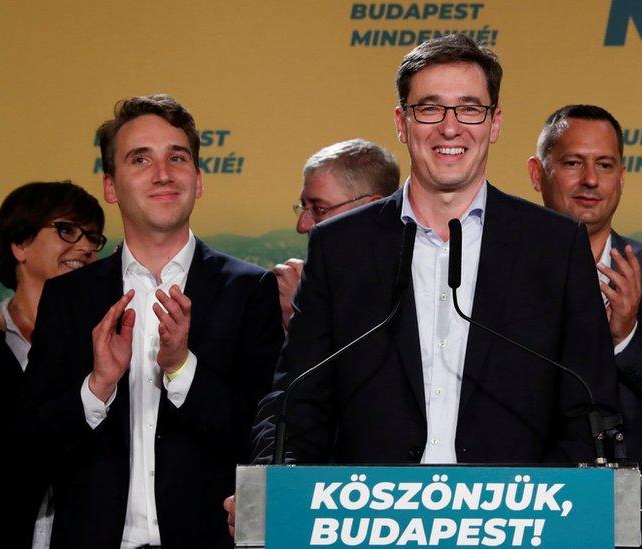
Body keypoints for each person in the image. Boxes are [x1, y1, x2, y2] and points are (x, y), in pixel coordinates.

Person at [255, 33, 619, 465]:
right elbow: (296, 404)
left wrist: (546, 510)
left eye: (469, 108)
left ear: (495, 122)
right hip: (372, 518)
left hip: (513, 519)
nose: (450, 127)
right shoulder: (340, 247)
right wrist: (274, 487)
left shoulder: (555, 247)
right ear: (401, 122)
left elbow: (590, 411)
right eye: (429, 109)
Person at [25, 95, 283, 548]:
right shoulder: (69, 297)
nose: (163, 174)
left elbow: (265, 441)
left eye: (177, 158)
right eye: (140, 159)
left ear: (198, 181)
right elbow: (30, 451)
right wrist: (98, 386)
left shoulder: (249, 290)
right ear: (111, 186)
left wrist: (183, 368)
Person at [528, 104, 642, 547]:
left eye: (605, 165)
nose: (591, 180)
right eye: (573, 163)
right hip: (532, 507)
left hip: (641, 516)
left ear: (621, 178)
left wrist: (626, 336)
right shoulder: (502, 275)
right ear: (537, 173)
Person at [0, 181, 105, 548]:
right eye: (67, 230)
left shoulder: (107, 347)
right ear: (19, 244)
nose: (85, 246)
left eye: (93, 238)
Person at [275, 139, 400, 331]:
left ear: (373, 207)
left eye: (319, 209)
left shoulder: (406, 288)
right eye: (303, 206)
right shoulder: (298, 283)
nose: (302, 225)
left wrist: (299, 312)